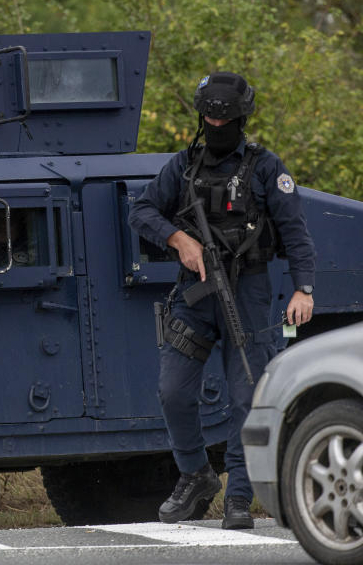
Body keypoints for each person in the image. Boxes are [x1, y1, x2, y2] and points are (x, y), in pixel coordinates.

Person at [129, 72, 315, 530]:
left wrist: (302, 288)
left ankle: (238, 496)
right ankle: (195, 475)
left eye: (223, 116)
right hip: (196, 294)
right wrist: (179, 240)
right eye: (208, 116)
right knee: (173, 391)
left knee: (245, 396)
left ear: (241, 117)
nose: (215, 123)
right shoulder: (184, 165)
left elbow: (295, 232)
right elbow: (141, 211)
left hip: (247, 293)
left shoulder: (266, 167)